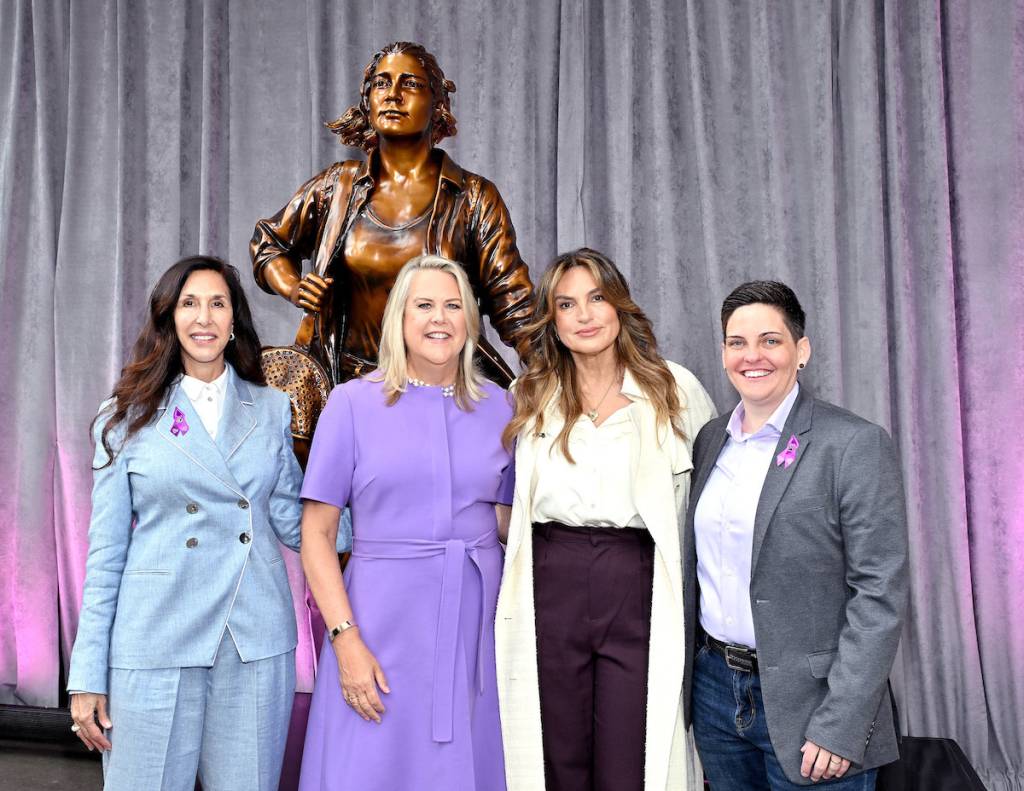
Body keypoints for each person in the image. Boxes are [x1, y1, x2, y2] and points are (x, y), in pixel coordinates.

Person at [67, 256, 306, 790]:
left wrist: (392, 522)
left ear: (234, 320)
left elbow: (295, 520)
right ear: (168, 317)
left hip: (253, 640)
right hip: (154, 639)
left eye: (218, 304)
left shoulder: (271, 410)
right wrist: (86, 674)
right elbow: (105, 556)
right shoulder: (124, 417)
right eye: (189, 303)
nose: (204, 317)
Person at [496, 248, 715, 791]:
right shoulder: (528, 396)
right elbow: (503, 503)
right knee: (556, 751)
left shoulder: (675, 390)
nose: (585, 315)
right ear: (553, 318)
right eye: (567, 304)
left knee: (633, 752)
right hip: (550, 581)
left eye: (596, 298)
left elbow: (710, 501)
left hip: (637, 582)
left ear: (620, 306)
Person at [296, 255, 515, 791]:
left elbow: (515, 525)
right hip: (377, 626)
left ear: (470, 321)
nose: (439, 318)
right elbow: (317, 535)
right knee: (369, 766)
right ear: (399, 318)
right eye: (424, 305)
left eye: (453, 305)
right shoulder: (349, 404)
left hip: (475, 628)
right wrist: (346, 642)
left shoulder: (503, 407)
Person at [682, 281, 909, 789]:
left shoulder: (853, 444)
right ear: (722, 352)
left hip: (815, 705)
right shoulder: (709, 440)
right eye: (736, 342)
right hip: (717, 695)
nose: (752, 356)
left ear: (801, 350)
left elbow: (879, 595)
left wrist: (842, 724)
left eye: (770, 340)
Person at [250, 40, 533, 392]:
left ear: (437, 104)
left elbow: (514, 303)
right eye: (382, 83)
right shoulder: (336, 188)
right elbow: (268, 243)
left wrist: (561, 375)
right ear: (367, 101)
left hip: (442, 389)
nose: (393, 94)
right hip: (348, 389)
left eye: (411, 84)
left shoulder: (472, 198)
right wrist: (294, 287)